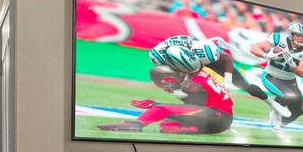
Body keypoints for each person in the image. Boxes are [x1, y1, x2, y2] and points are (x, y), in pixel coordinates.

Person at [98, 47, 233, 135]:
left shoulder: (194, 83)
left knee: (163, 109)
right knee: (166, 125)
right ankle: (193, 129)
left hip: (216, 116)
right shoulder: (197, 75)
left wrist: (155, 104)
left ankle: (135, 125)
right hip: (217, 120)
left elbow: (194, 107)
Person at [149, 34, 290, 118]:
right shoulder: (158, 56)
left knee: (243, 84)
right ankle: (200, 116)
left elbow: (227, 58)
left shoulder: (204, 51)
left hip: (198, 55)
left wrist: (227, 80)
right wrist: (174, 88)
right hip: (183, 62)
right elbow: (161, 76)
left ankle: (273, 104)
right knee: (186, 89)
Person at [248, 22, 303, 129]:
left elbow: (302, 73)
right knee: (288, 96)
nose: (301, 38)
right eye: (298, 35)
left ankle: (279, 127)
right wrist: (267, 55)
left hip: (290, 81)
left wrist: (292, 64)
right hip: (271, 76)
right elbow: (254, 48)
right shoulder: (278, 39)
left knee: (298, 112)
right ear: (291, 34)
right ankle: (276, 111)